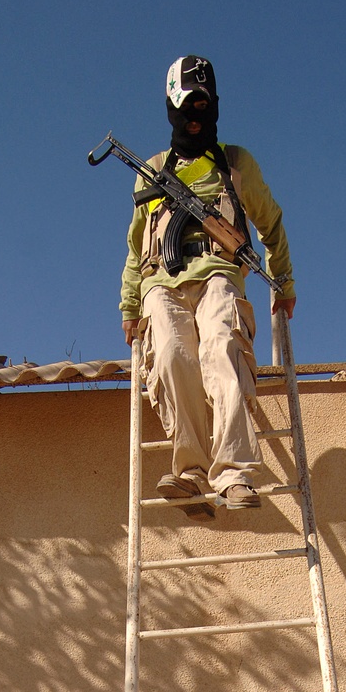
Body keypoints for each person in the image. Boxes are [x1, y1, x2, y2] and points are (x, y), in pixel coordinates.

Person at [120, 55, 296, 510]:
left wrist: (283, 281)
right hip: (162, 281)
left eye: (203, 108)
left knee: (222, 345)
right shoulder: (155, 168)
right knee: (175, 356)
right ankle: (190, 471)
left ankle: (234, 472)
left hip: (220, 274)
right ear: (171, 109)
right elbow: (137, 246)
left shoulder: (236, 163)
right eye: (186, 109)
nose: (195, 120)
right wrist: (130, 305)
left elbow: (270, 223)